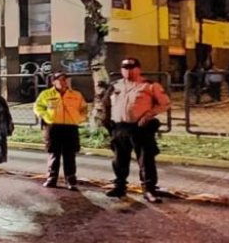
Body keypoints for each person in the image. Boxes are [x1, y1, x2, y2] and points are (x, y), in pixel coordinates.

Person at [102, 57, 171, 203]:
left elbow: (165, 103)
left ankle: (149, 190)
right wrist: (107, 122)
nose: (128, 71)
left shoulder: (149, 86)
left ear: (138, 69)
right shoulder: (115, 86)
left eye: (131, 68)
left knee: (145, 160)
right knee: (119, 160)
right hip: (120, 127)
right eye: (125, 68)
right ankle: (119, 187)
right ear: (121, 70)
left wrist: (149, 114)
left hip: (140, 128)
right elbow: (106, 104)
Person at [33, 72, 88, 190]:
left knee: (70, 155)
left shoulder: (76, 95)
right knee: (53, 153)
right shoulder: (46, 94)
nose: (64, 81)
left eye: (66, 79)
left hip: (70, 127)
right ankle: (52, 179)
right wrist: (44, 116)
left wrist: (79, 118)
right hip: (53, 127)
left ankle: (71, 181)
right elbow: (38, 107)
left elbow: (84, 109)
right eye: (61, 79)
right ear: (54, 82)